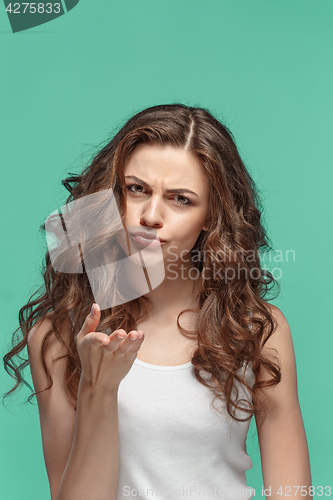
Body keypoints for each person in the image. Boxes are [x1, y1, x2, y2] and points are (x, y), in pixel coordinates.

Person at [2, 104, 312, 500]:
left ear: (210, 217)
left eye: (180, 199)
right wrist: (98, 388)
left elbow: (292, 492)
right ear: (112, 196)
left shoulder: (256, 328)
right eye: (136, 189)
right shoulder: (59, 335)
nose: (151, 215)